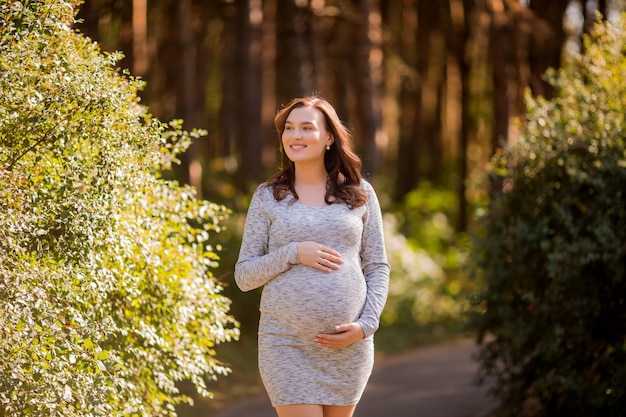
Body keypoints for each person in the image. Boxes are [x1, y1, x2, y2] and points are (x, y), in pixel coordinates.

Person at [234, 95, 390, 417]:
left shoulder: (360, 193)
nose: (295, 136)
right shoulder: (268, 197)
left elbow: (376, 266)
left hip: (348, 346)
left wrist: (366, 325)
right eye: (289, 128)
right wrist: (292, 253)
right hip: (286, 344)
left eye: (307, 128)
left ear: (329, 137)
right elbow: (244, 276)